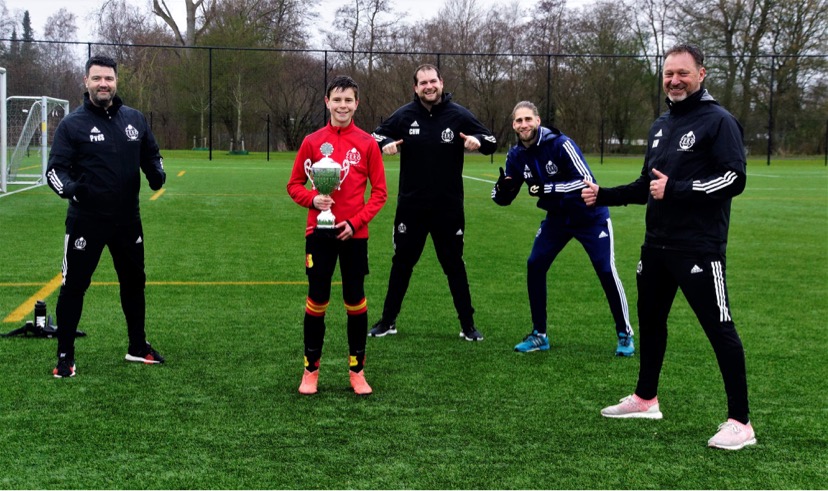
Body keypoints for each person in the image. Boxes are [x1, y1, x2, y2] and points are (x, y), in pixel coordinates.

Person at [582, 44, 754, 450]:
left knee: (720, 329)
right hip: (656, 245)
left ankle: (741, 422)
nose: (674, 81)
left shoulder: (719, 121)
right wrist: (604, 194)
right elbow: (648, 185)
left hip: (699, 248)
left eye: (683, 73)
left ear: (701, 74)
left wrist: (677, 189)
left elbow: (734, 179)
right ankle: (646, 399)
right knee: (652, 321)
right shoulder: (661, 124)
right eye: (668, 74)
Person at [46, 55, 167, 378]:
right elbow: (54, 171)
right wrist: (71, 189)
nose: (103, 84)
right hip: (87, 221)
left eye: (109, 79)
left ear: (116, 82)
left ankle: (137, 346)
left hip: (128, 220)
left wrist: (156, 173)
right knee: (74, 285)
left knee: (134, 283)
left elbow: (152, 154)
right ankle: (65, 356)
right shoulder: (72, 125)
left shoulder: (135, 119)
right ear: (86, 82)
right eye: (97, 78)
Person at [492, 101, 633, 355]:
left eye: (528, 119)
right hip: (557, 219)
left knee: (605, 269)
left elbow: (585, 182)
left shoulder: (561, 144)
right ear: (513, 125)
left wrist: (548, 188)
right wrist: (502, 190)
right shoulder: (515, 155)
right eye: (519, 120)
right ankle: (539, 335)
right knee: (535, 264)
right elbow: (503, 196)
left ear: (537, 121)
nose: (524, 124)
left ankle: (625, 334)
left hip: (590, 216)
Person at [368, 64, 497, 341]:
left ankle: (468, 325)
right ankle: (387, 321)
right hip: (411, 207)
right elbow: (374, 137)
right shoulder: (404, 115)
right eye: (423, 83)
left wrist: (477, 141)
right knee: (402, 264)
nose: (429, 86)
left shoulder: (458, 114)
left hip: (448, 208)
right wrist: (385, 143)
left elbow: (491, 140)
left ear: (441, 83)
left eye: (433, 81)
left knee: (454, 265)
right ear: (415, 88)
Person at [287, 75, 387, 395]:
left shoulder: (367, 144)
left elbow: (380, 193)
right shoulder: (312, 142)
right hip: (319, 232)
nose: (342, 106)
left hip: (354, 235)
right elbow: (294, 185)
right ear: (326, 102)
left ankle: (357, 372)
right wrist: (313, 199)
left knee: (355, 300)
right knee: (317, 299)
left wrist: (355, 223)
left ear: (357, 104)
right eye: (337, 99)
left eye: (348, 100)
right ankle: (310, 371)